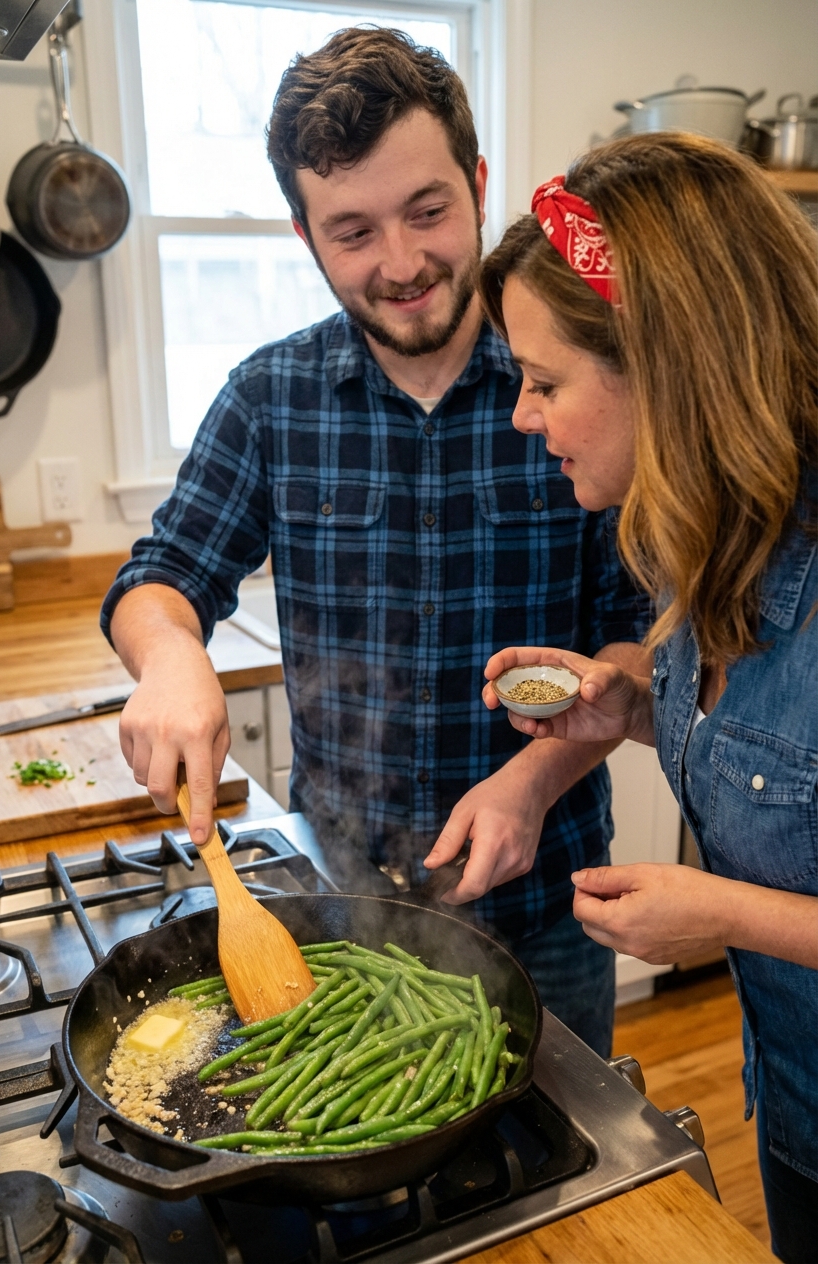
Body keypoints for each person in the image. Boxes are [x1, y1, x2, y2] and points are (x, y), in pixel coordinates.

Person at [100, 28, 650, 1057]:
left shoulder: (580, 388)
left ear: (478, 184)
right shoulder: (269, 400)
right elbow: (160, 576)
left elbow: (638, 642)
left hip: (547, 896)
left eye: (428, 211)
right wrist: (173, 656)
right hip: (340, 907)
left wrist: (528, 785)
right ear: (304, 234)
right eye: (351, 230)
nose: (400, 264)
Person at [472, 132, 817, 1262]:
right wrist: (617, 704)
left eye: (544, 382)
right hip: (792, 1089)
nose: (522, 415)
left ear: (664, 367)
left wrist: (718, 916)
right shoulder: (697, 536)